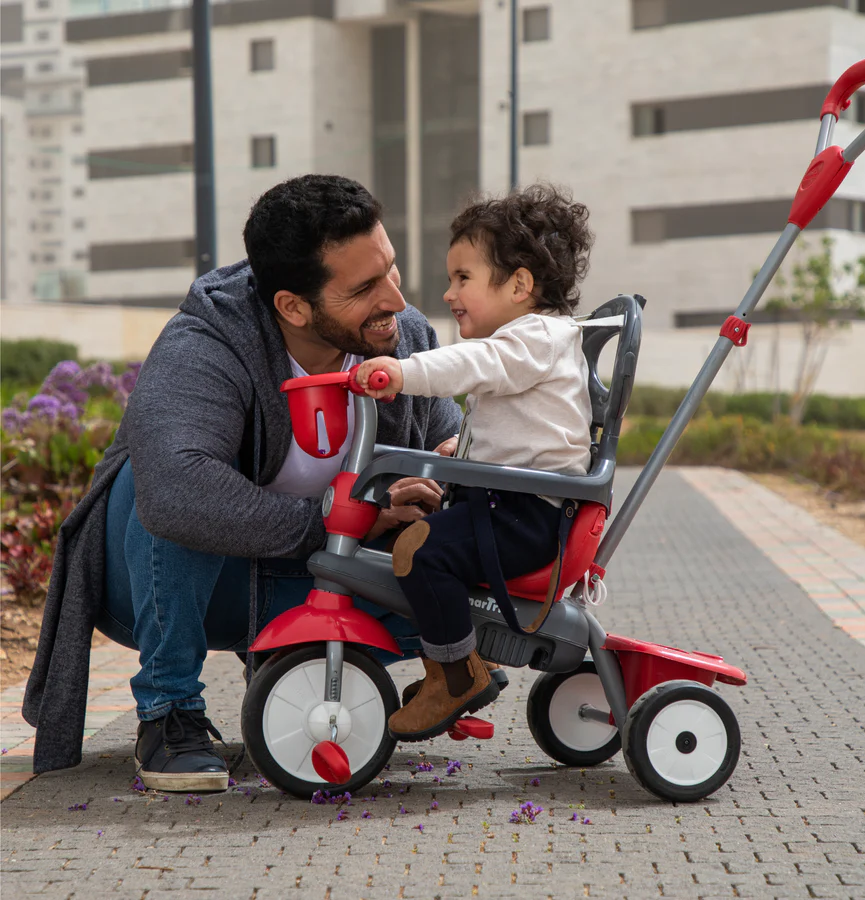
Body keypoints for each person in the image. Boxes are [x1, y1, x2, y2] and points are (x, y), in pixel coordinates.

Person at [23, 175, 463, 791]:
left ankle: (309, 674)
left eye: (390, 269)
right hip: (176, 584)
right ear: (292, 306)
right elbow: (178, 491)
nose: (395, 298)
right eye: (364, 288)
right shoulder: (209, 341)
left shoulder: (402, 333)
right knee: (167, 490)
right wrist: (343, 513)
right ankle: (168, 712)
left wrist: (450, 464)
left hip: (310, 577)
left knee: (465, 562)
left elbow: (447, 443)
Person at [356, 184, 595, 741]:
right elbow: (515, 427)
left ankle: (456, 677)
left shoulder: (536, 335)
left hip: (528, 516)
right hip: (509, 506)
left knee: (419, 549)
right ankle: (458, 664)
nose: (448, 292)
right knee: (414, 540)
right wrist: (458, 451)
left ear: (519, 284)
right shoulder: (527, 344)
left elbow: (476, 365)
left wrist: (403, 372)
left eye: (463, 277)